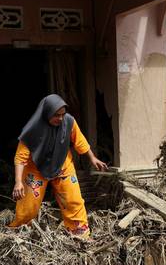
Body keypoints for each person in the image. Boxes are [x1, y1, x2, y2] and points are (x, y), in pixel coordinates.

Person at [9, 94, 108, 238]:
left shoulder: (69, 122)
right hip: (35, 169)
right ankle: (20, 233)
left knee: (73, 200)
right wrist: (18, 182)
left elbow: (79, 140)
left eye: (63, 114)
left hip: (63, 165)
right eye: (56, 115)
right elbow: (20, 157)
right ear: (46, 113)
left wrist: (92, 158)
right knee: (28, 208)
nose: (60, 118)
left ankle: (80, 234)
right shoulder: (32, 130)